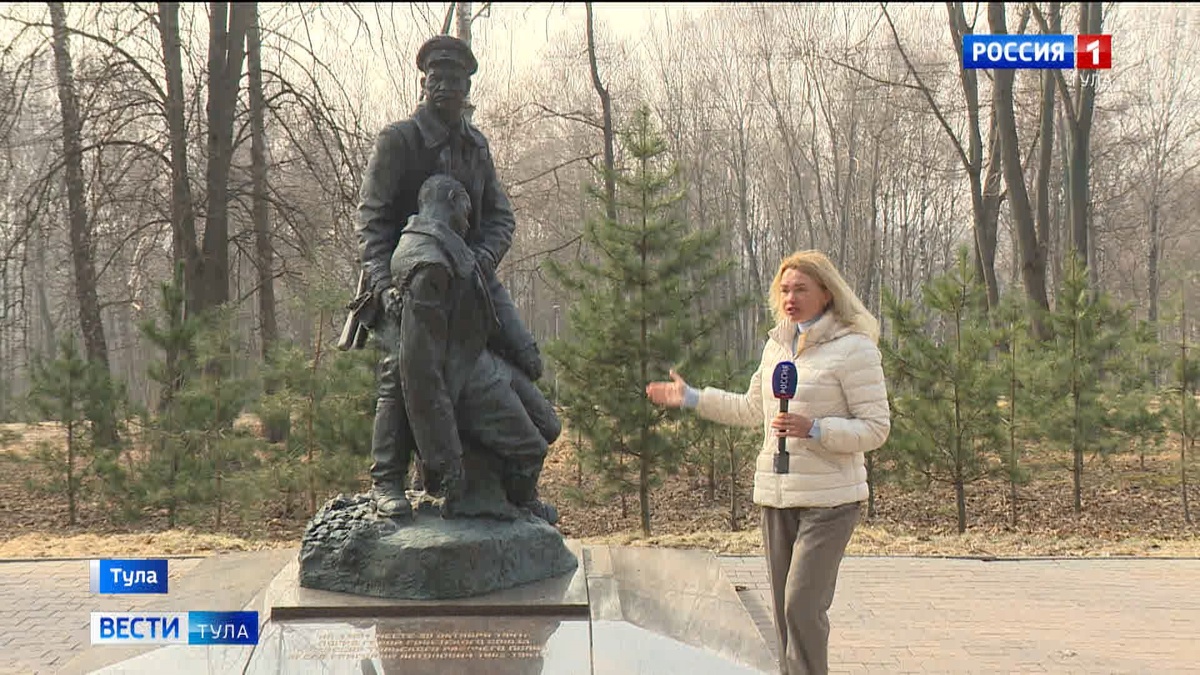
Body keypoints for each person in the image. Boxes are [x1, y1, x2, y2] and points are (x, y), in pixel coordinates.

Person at [645, 250, 890, 675]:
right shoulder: (776, 346)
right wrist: (692, 398)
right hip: (777, 496)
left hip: (830, 502)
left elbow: (875, 428)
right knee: (782, 614)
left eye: (801, 289)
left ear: (827, 293)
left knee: (801, 606)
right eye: (785, 289)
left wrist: (816, 429)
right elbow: (749, 409)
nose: (790, 298)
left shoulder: (854, 349)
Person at [351, 34, 549, 516]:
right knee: (402, 366)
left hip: (469, 278)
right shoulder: (400, 141)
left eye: (454, 79)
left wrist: (480, 258)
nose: (444, 87)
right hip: (405, 281)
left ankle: (493, 486)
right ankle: (387, 479)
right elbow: (372, 222)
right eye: (435, 78)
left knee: (511, 361)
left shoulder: (476, 147)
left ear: (467, 87)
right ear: (424, 83)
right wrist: (384, 285)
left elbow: (500, 218)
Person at [388, 173, 557, 522]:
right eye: (465, 212)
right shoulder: (427, 265)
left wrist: (524, 349)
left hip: (483, 358)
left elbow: (491, 294)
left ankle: (508, 499)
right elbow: (421, 374)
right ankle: (503, 505)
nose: (468, 223)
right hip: (465, 379)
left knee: (550, 425)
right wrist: (445, 458)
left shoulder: (451, 245)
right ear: (451, 201)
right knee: (531, 451)